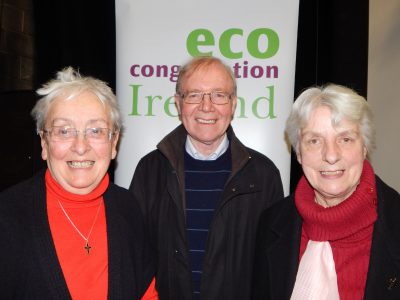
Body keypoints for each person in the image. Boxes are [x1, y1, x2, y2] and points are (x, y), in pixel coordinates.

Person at [129, 56, 284, 299]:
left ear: (233, 104)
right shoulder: (149, 171)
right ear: (178, 104)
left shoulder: (264, 176)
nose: (207, 106)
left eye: (219, 95)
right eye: (194, 95)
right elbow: (134, 258)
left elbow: (273, 269)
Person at [0, 67, 157, 299]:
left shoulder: (129, 207)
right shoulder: (6, 217)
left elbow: (147, 293)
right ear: (44, 143)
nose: (81, 147)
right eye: (64, 131)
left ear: (114, 143)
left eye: (95, 130)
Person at [252, 84, 400, 299]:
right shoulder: (271, 223)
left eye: (345, 139)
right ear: (299, 153)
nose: (331, 155)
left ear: (364, 147)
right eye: (314, 140)